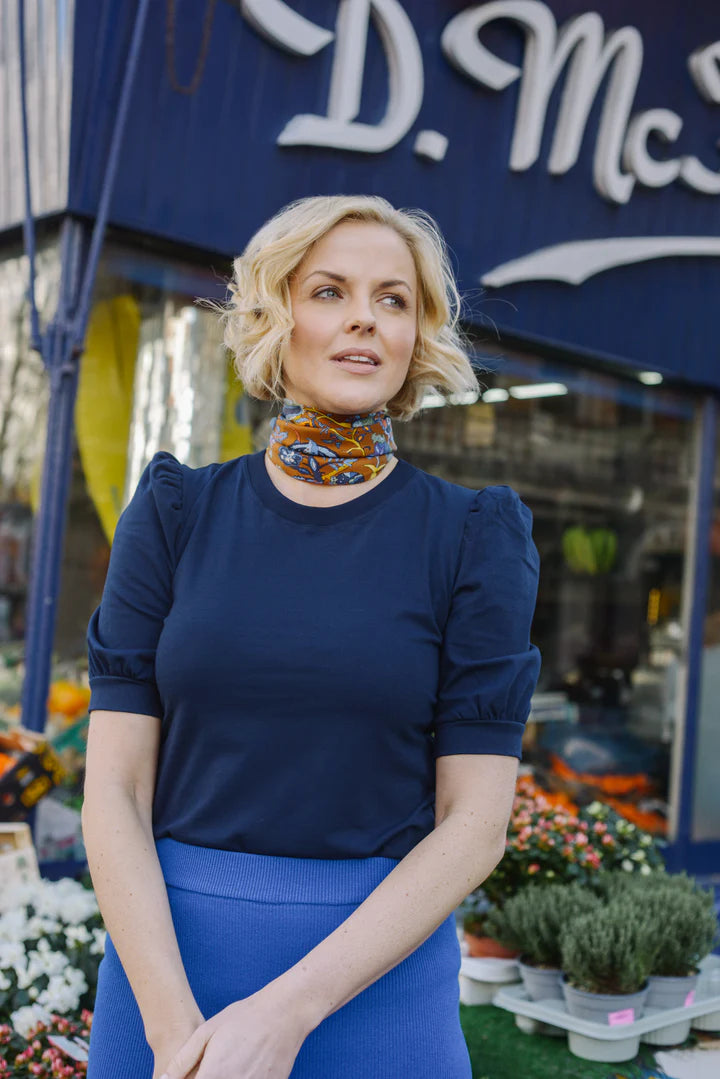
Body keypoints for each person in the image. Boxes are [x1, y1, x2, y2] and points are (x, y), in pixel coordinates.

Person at [82, 194, 541, 1079]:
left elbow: (476, 823)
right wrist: (176, 1033)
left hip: (377, 998)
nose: (365, 316)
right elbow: (116, 791)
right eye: (329, 290)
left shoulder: (474, 538)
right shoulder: (175, 515)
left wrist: (285, 1013)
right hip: (164, 984)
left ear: (417, 336)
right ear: (274, 316)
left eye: (394, 299)